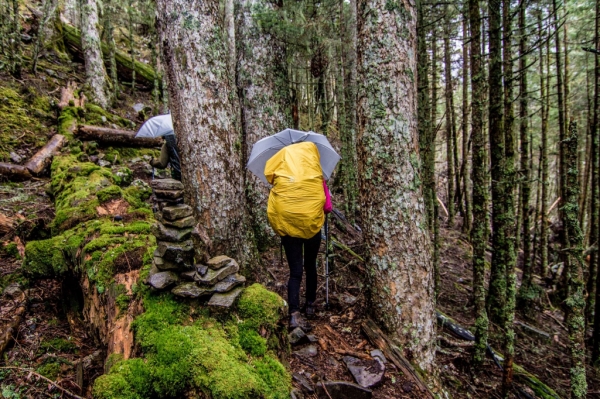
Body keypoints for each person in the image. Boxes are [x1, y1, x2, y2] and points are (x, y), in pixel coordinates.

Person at [264, 142, 332, 331]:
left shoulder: (282, 174)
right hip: (312, 228)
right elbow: (327, 207)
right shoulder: (317, 177)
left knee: (295, 271)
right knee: (310, 266)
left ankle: (293, 314)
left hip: (288, 228)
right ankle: (310, 305)